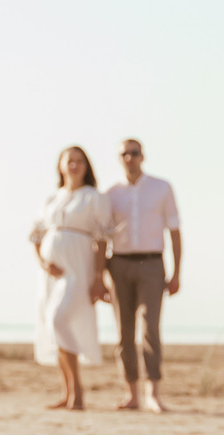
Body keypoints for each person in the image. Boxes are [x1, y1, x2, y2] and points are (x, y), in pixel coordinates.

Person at [28, 146, 114, 412]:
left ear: (87, 166)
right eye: (70, 161)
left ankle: (78, 391)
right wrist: (43, 263)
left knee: (60, 320)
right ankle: (67, 393)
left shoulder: (93, 198)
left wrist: (99, 277)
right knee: (54, 325)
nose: (74, 165)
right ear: (61, 166)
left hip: (79, 269)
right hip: (52, 274)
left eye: (79, 161)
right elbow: (36, 235)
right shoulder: (53, 198)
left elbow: (102, 239)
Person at [103, 137, 181, 412]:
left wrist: (176, 274)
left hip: (152, 264)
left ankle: (153, 393)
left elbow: (174, 231)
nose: (129, 158)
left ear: (142, 156)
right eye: (124, 153)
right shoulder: (111, 194)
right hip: (119, 264)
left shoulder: (161, 188)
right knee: (123, 331)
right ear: (119, 158)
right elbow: (102, 236)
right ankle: (131, 393)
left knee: (150, 327)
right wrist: (99, 275)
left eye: (134, 153)